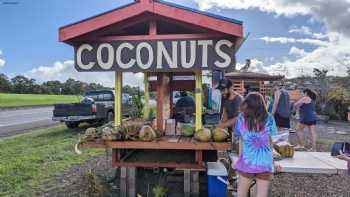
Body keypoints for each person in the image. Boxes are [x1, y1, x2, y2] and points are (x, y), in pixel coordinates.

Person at [234, 92, 277, 197]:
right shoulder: (269, 118)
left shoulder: (241, 118)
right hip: (265, 162)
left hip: (247, 161)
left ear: (247, 103)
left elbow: (241, 139)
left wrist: (239, 159)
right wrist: (272, 161)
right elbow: (270, 141)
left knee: (241, 194)